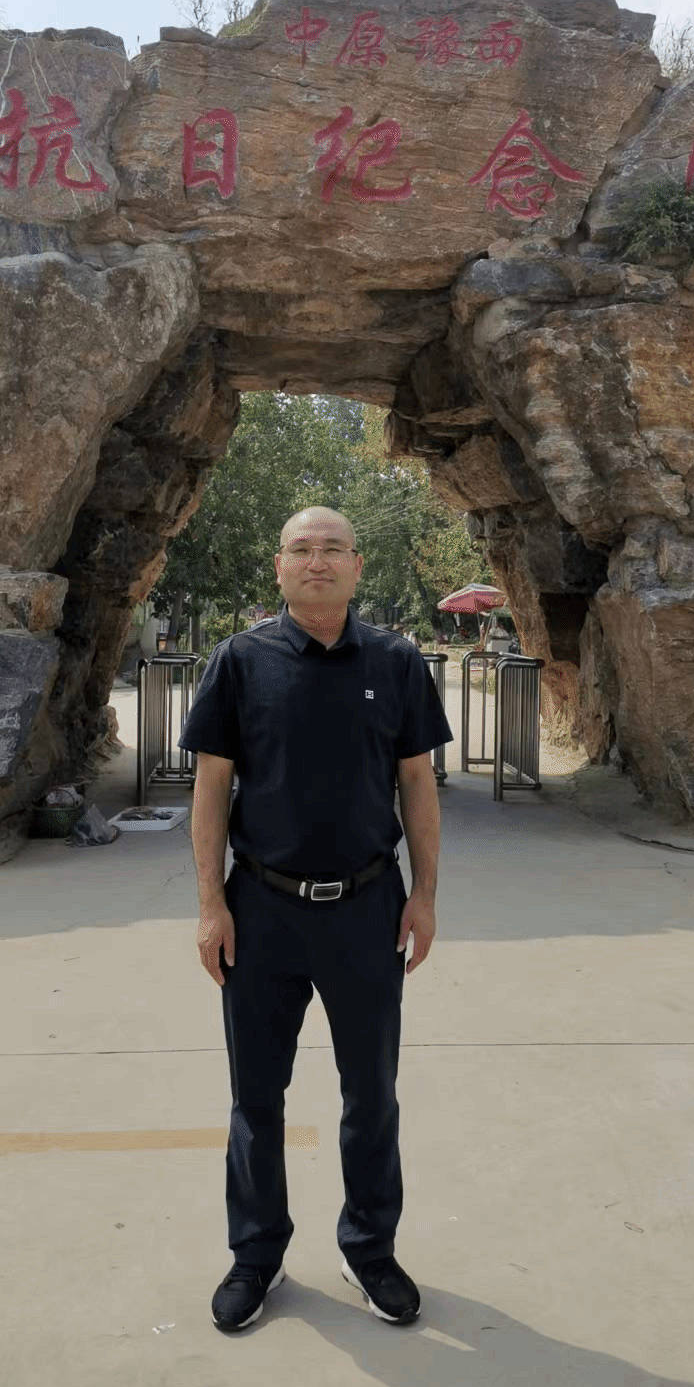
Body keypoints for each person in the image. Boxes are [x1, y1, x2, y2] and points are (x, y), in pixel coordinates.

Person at [179, 505, 453, 1334]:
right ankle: (256, 1256)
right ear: (280, 566)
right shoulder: (239, 662)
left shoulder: (396, 662)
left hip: (367, 909)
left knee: (371, 1095)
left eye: (333, 549)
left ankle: (370, 1250)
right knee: (256, 1098)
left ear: (358, 566)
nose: (317, 561)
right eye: (301, 549)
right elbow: (211, 788)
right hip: (261, 911)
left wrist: (425, 894)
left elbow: (417, 782)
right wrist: (211, 905)